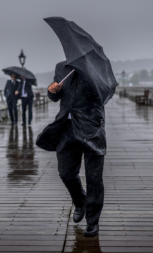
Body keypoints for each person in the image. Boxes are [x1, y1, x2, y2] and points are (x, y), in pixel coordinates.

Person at [36, 61, 108, 237]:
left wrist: (89, 74)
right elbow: (56, 97)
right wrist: (52, 90)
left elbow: (103, 94)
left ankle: (92, 221)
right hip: (67, 127)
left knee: (94, 178)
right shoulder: (62, 68)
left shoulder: (97, 68)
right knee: (65, 173)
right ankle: (80, 201)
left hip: (91, 128)